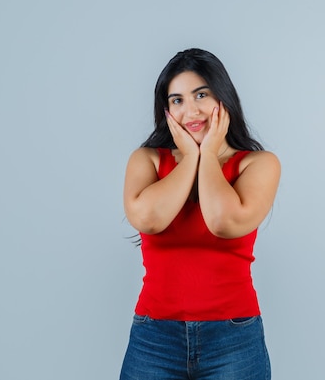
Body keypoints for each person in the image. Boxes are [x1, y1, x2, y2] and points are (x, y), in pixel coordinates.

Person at [120, 48, 281, 380]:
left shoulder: (258, 164)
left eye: (201, 95)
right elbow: (148, 219)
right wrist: (191, 157)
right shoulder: (146, 160)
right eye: (177, 100)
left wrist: (207, 152)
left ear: (223, 98)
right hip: (154, 338)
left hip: (234, 338)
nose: (190, 110)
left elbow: (224, 222)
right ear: (166, 110)